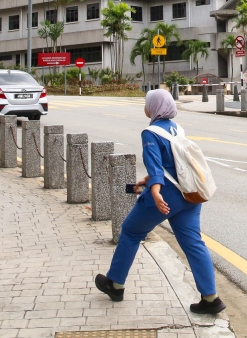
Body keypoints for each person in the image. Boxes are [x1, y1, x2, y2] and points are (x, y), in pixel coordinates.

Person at [95, 89, 225, 314]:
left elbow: (156, 168)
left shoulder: (150, 132)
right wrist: (145, 181)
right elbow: (174, 165)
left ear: (154, 107)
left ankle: (115, 284)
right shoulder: (177, 129)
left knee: (131, 232)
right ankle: (210, 298)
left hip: (166, 194)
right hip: (189, 194)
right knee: (193, 243)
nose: (145, 107)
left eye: (147, 103)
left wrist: (154, 194)